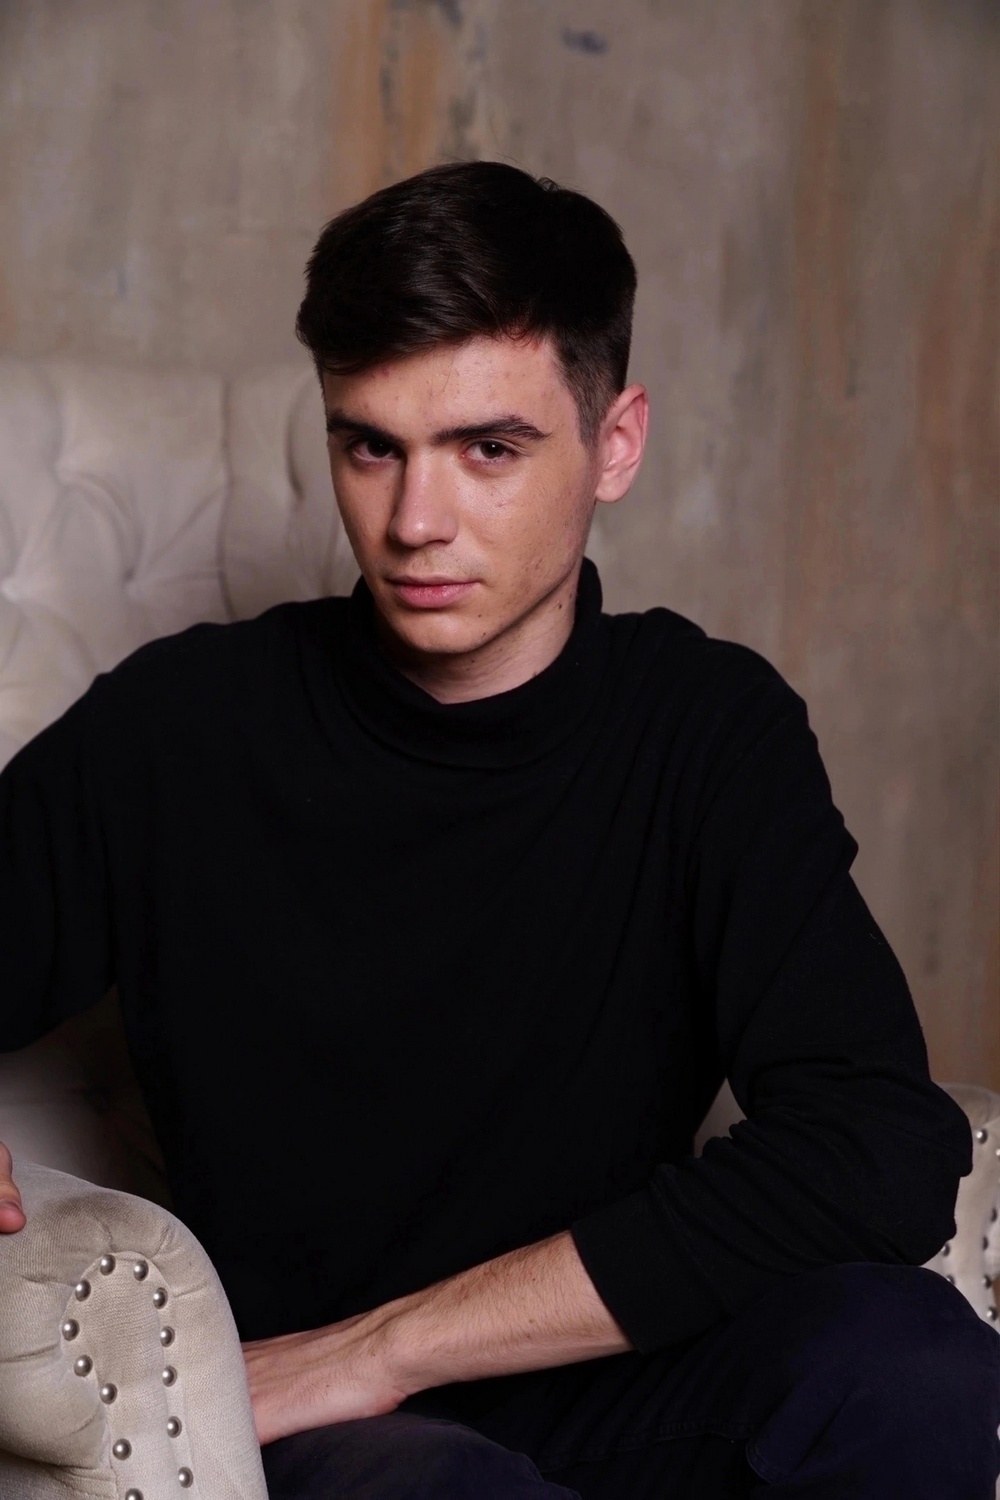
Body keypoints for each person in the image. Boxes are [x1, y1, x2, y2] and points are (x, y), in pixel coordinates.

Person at [0, 161, 997, 1499]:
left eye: (489, 450)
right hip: (319, 1424)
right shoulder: (183, 727)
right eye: (372, 446)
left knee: (912, 1362)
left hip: (595, 1367)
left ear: (616, 444)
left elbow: (878, 1147)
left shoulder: (706, 729)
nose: (415, 524)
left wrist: (388, 1348)